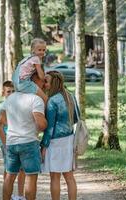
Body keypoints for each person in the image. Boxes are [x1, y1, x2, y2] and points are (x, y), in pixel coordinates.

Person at [0, 74, 47, 200]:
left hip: (11, 143)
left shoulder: (10, 98)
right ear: (33, 83)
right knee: (31, 177)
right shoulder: (36, 100)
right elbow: (41, 125)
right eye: (41, 82)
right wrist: (46, 122)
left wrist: (16, 125)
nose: (42, 85)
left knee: (9, 176)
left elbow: (2, 119)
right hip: (29, 142)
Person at [40, 71, 77, 200]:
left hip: (55, 142)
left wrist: (44, 146)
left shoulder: (52, 101)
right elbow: (76, 119)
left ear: (54, 83)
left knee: (55, 177)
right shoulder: (71, 96)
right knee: (69, 176)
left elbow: (49, 128)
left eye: (46, 81)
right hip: (69, 139)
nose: (44, 84)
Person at [0, 81, 26, 200]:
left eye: (13, 91)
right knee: (9, 169)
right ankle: (8, 194)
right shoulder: (1, 107)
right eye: (9, 91)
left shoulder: (19, 106)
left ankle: (20, 195)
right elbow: (0, 127)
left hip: (19, 140)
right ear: (3, 93)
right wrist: (5, 144)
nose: (11, 93)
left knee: (22, 169)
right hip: (7, 142)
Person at [12, 38, 48, 103]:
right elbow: (41, 77)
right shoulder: (36, 59)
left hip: (16, 82)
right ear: (33, 50)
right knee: (45, 99)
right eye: (39, 50)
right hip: (24, 83)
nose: (42, 52)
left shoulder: (28, 58)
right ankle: (45, 112)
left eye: (44, 50)